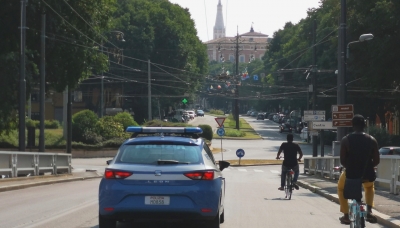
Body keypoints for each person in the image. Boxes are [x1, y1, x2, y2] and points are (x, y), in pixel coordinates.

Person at [338, 114, 380, 224]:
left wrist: (351, 167)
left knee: (341, 188)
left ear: (353, 125)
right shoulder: (372, 140)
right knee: (370, 187)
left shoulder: (346, 140)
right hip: (367, 174)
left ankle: (346, 215)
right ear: (364, 125)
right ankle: (369, 210)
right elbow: (376, 160)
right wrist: (369, 167)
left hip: (351, 174)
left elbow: (343, 161)